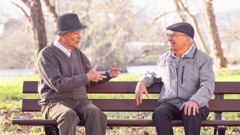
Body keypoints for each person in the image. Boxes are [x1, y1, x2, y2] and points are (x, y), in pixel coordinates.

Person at [37, 13, 121, 135]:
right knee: (69, 116)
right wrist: (86, 77)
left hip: (81, 103)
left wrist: (108, 75)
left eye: (80, 33)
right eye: (75, 33)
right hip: (55, 103)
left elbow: (89, 80)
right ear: (62, 35)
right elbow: (58, 84)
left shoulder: (78, 53)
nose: (80, 37)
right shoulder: (46, 55)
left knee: (96, 114)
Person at [135, 22, 215, 135]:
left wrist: (195, 101)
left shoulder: (203, 59)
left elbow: (208, 84)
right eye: (169, 35)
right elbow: (153, 74)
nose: (169, 39)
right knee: (159, 113)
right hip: (171, 104)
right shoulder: (164, 59)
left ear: (187, 39)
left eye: (173, 35)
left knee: (190, 112)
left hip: (195, 104)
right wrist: (142, 81)